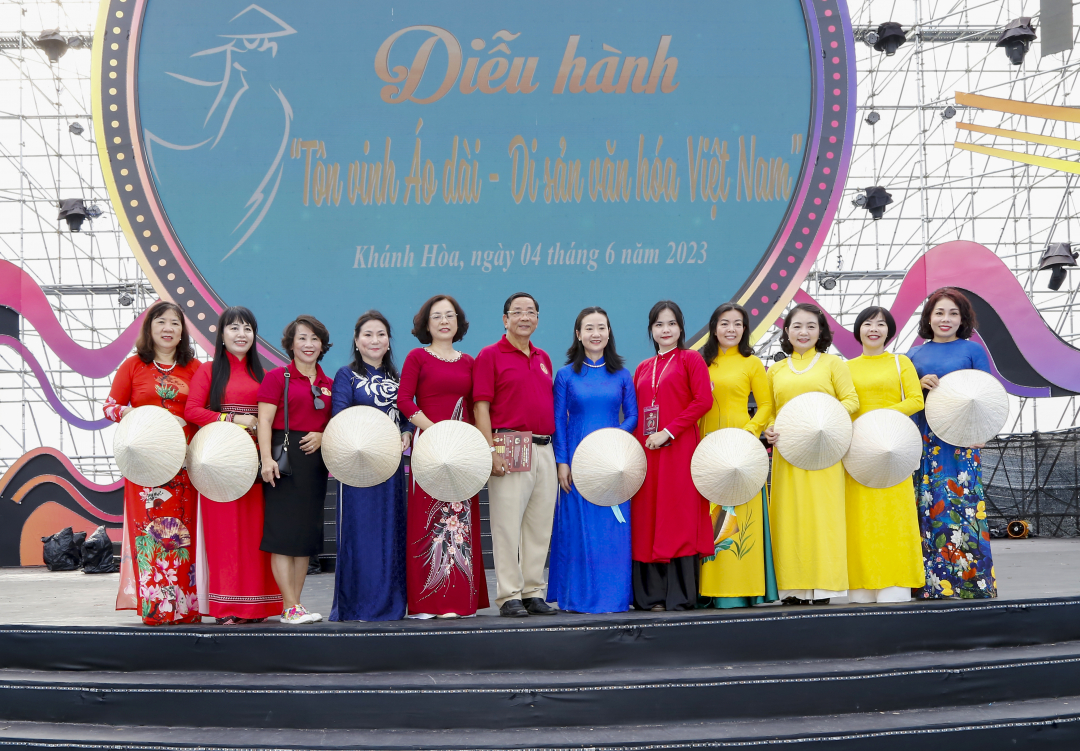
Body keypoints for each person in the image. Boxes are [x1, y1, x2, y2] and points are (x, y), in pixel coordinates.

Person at [104, 300, 202, 625]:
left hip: (183, 467)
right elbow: (109, 407)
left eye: (175, 323)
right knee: (150, 536)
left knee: (181, 536)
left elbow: (202, 411)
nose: (168, 328)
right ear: (150, 328)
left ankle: (186, 607)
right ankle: (157, 607)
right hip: (145, 469)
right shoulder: (133, 366)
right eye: (161, 322)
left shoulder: (195, 368)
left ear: (182, 331)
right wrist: (129, 414)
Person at [185, 306, 282, 624]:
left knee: (256, 534)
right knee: (224, 534)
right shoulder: (209, 370)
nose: (241, 334)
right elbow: (193, 411)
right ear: (222, 335)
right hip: (219, 462)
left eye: (247, 329)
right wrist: (232, 418)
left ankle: (257, 607)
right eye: (234, 328)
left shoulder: (264, 374)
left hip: (255, 463)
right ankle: (227, 607)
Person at [397, 295, 490, 618]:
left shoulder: (469, 362)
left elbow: (478, 406)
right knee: (428, 520)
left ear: (459, 322)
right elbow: (404, 400)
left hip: (462, 451)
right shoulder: (416, 358)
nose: (444, 321)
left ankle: (459, 601)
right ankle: (427, 602)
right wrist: (435, 431)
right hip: (431, 445)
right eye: (436, 316)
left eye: (450, 315)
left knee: (461, 521)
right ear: (426, 324)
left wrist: (477, 445)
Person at [762, 303, 858, 605]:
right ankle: (792, 588)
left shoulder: (832, 364)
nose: (803, 332)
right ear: (787, 331)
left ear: (821, 332)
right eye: (797, 326)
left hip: (824, 453)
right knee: (788, 517)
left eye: (811, 326)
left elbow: (851, 401)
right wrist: (768, 428)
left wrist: (823, 420)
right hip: (787, 454)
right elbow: (769, 410)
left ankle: (824, 587)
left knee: (822, 516)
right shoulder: (775, 369)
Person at [907, 288, 997, 599]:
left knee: (965, 508)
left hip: (962, 441)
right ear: (928, 318)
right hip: (926, 442)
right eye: (940, 313)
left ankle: (971, 584)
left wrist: (982, 431)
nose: (946, 319)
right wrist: (918, 387)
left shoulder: (973, 350)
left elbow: (986, 394)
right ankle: (930, 584)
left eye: (953, 314)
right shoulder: (913, 356)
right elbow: (905, 402)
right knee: (928, 507)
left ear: (963, 319)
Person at [473, 292, 559, 617]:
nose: (525, 317)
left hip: (544, 447)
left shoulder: (543, 358)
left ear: (537, 318)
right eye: (517, 312)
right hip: (509, 446)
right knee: (507, 525)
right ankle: (509, 594)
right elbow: (481, 405)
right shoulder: (490, 355)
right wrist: (490, 451)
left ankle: (533, 591)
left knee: (539, 526)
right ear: (505, 319)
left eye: (531, 312)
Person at [548, 307, 638, 613]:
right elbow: (558, 421)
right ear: (578, 334)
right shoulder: (565, 375)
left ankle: (613, 597)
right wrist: (562, 461)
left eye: (601, 327)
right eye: (589, 328)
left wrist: (610, 439)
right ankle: (577, 597)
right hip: (577, 462)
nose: (595, 333)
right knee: (579, 528)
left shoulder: (623, 375)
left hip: (612, 462)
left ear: (609, 332)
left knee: (612, 531)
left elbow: (634, 417)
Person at [630, 301, 713, 611]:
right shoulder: (642, 367)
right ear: (651, 330)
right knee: (647, 515)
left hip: (678, 448)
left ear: (681, 328)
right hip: (647, 452)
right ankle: (650, 596)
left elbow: (703, 400)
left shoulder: (691, 360)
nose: (665, 330)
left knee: (678, 514)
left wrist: (669, 431)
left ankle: (680, 595)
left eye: (671, 324)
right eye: (659, 325)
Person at [330, 311, 412, 621]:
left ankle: (389, 604)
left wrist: (406, 432)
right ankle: (356, 606)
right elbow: (339, 417)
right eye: (368, 334)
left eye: (381, 334)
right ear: (356, 340)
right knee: (360, 535)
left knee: (389, 534)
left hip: (390, 469)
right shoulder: (346, 376)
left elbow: (406, 416)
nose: (374, 340)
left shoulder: (398, 378)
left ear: (389, 341)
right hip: (357, 470)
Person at [697, 303, 778, 608]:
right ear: (713, 327)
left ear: (745, 329)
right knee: (709, 520)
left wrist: (748, 432)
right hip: (705, 452)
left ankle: (745, 589)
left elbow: (767, 405)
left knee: (742, 520)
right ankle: (709, 589)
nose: (731, 329)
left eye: (738, 324)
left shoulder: (752, 363)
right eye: (724, 323)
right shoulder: (699, 362)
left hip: (742, 450)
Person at [844, 307, 926, 603]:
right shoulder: (846, 367)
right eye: (868, 323)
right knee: (860, 518)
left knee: (896, 516)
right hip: (858, 452)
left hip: (893, 449)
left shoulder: (899, 362)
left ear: (889, 331)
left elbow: (916, 400)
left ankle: (897, 582)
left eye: (881, 324)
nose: (874, 329)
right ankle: (861, 583)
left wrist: (879, 416)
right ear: (859, 329)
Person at [257, 315, 334, 625]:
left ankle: (297, 605)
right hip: (283, 460)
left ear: (322, 345)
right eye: (302, 338)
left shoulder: (329, 384)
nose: (308, 344)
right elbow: (263, 420)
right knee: (282, 536)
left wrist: (324, 434)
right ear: (290, 343)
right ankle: (288, 606)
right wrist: (266, 459)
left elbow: (337, 422)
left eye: (314, 339)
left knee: (305, 538)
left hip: (315, 465)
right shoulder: (278, 377)